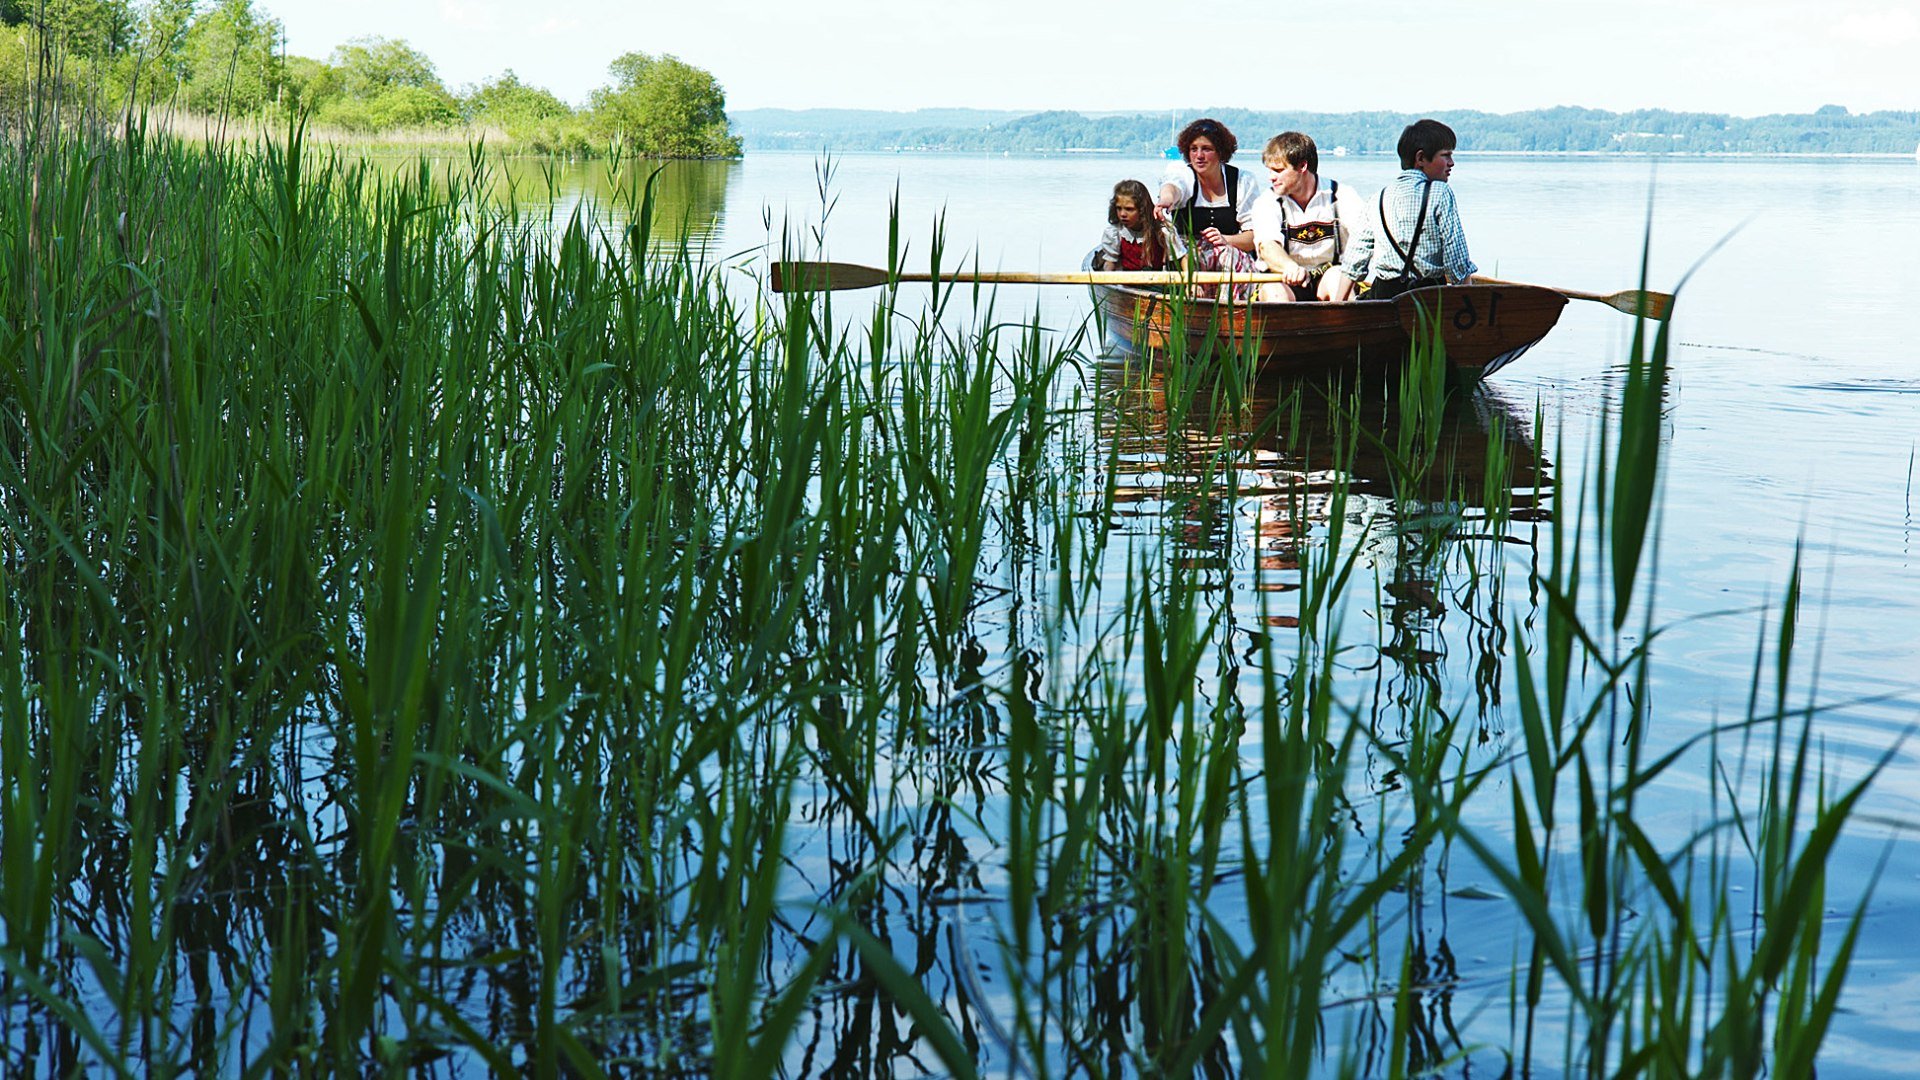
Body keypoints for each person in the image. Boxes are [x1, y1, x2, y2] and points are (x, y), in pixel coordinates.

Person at [1340, 119, 1478, 300]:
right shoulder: (1441, 192)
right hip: (1428, 296)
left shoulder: (1378, 198)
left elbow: (1354, 262)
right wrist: (1470, 305)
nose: (1451, 163)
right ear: (1420, 158)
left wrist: (1335, 310)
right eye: (1446, 155)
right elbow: (1457, 261)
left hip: (1385, 296)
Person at [1153, 118, 1262, 291]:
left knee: (1228, 256)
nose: (1199, 156)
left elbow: (1253, 238)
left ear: (1220, 152)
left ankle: (1231, 309)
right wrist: (1165, 200)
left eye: (1207, 149)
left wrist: (1225, 240)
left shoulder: (1241, 181)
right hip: (1187, 261)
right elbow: (1173, 187)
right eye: (1193, 149)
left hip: (1229, 260)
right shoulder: (1184, 174)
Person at [1248, 132, 1358, 302]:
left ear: (1302, 166)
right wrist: (1289, 267)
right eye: (1270, 171)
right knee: (1273, 292)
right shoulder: (1266, 202)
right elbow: (1268, 247)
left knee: (1338, 277)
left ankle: (1342, 323)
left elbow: (1365, 239)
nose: (1271, 177)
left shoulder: (1342, 195)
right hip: (1283, 280)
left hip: (1327, 278)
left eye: (1278, 170)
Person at [1097, 179, 1187, 271]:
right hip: (1127, 282)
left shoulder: (1162, 231)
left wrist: (1190, 283)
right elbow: (1110, 262)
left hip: (1157, 281)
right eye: (1119, 208)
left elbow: (1182, 258)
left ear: (1142, 210)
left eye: (1129, 209)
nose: (1122, 214)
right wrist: (1107, 278)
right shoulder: (1115, 232)